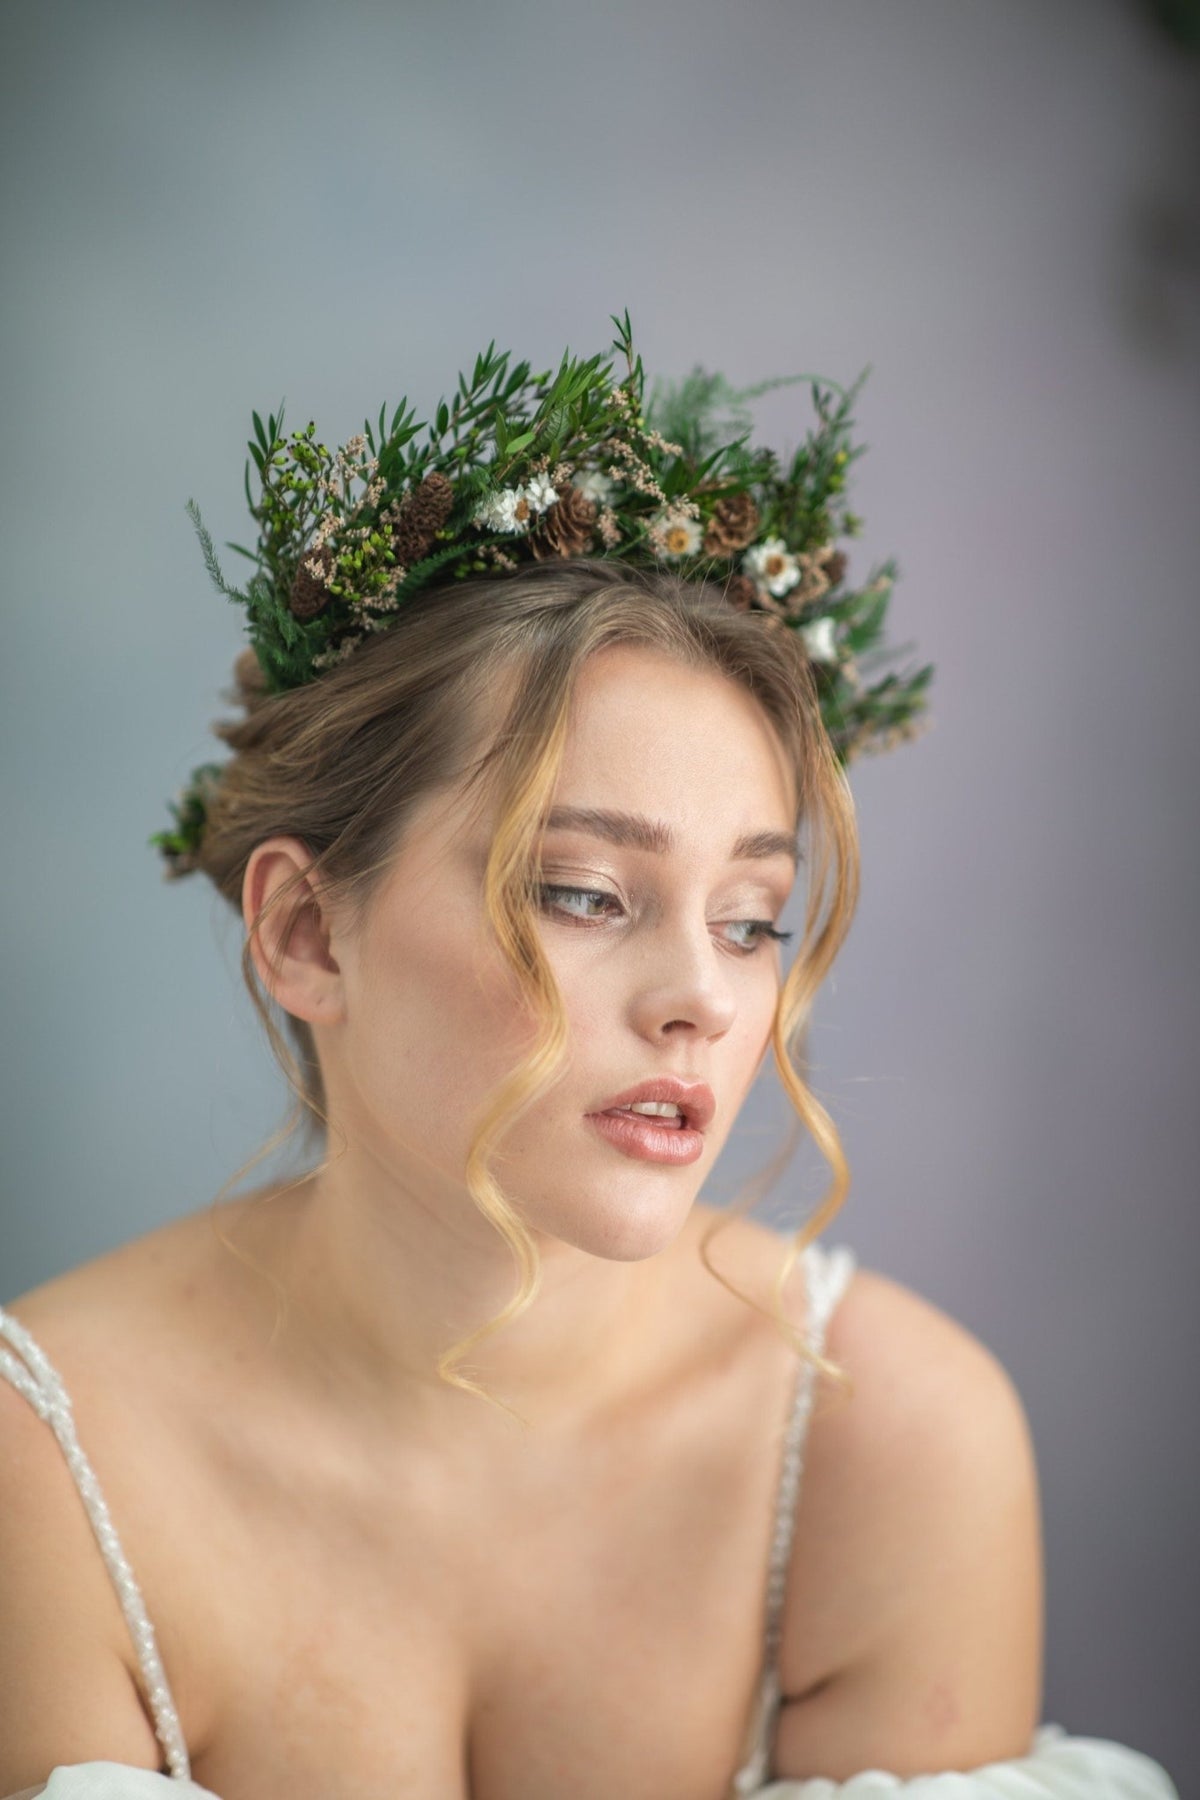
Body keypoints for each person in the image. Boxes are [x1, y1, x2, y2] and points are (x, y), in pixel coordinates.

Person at [0, 321, 1179, 1798]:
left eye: (751, 919)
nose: (702, 1001)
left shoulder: (890, 1443)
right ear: (305, 932)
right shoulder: (46, 1470)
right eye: (583, 895)